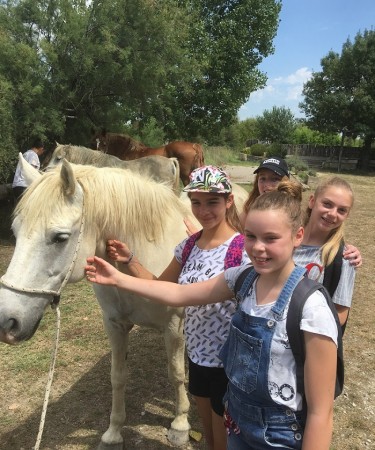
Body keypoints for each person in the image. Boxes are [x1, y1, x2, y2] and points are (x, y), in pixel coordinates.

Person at [85, 180, 338, 450]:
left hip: (279, 433)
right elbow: (177, 294)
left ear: (298, 236)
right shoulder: (240, 277)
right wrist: (119, 278)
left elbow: (320, 413)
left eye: (271, 238)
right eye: (251, 236)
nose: (258, 248)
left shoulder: (311, 308)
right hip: (237, 415)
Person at [103, 165, 250, 450]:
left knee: (226, 437)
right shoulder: (188, 246)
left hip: (229, 361)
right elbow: (162, 287)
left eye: (212, 202)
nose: (203, 210)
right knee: (208, 430)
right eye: (196, 202)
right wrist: (130, 259)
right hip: (197, 357)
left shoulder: (241, 248)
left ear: (229, 201)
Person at [294, 176, 356, 328]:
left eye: (342, 210)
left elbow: (340, 314)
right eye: (327, 204)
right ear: (312, 201)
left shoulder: (344, 258)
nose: (333, 214)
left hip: (300, 341)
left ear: (347, 215)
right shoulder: (285, 237)